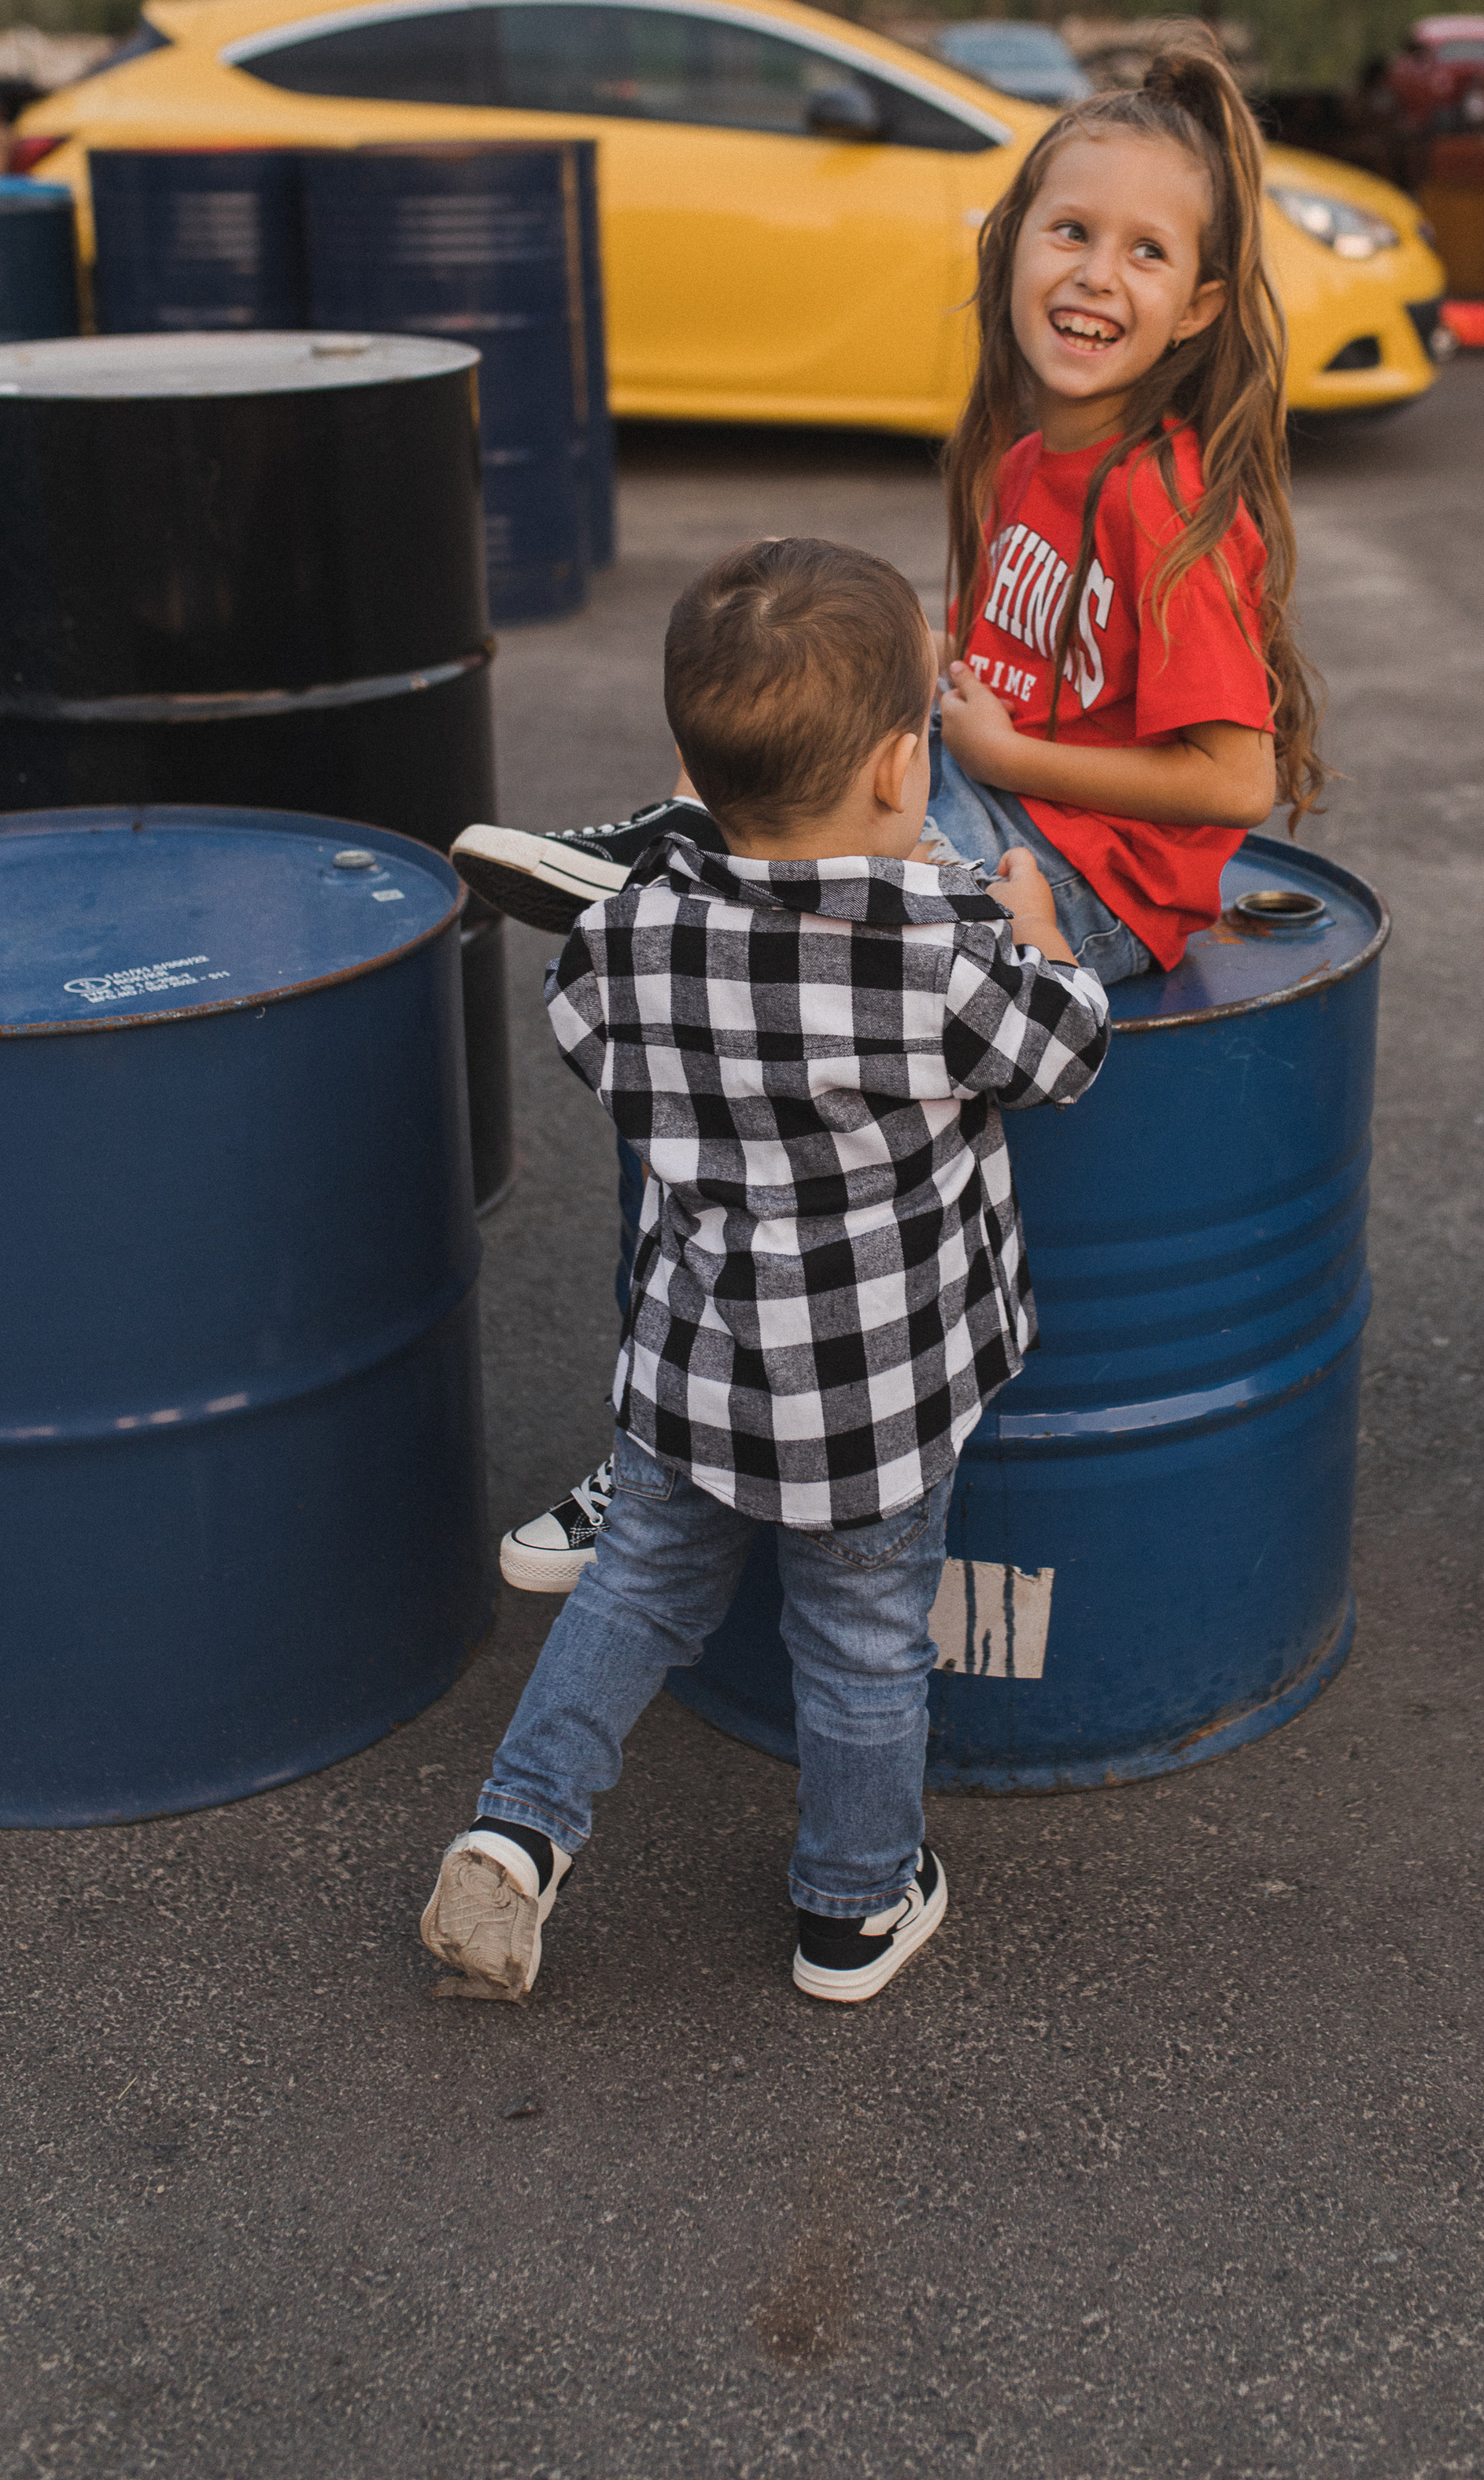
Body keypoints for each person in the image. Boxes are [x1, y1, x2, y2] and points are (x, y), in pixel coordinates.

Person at [457, 25, 1321, 1587]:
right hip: (982, 806)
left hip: (1088, 886)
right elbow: (997, 662)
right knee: (796, 660)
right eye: (1069, 232)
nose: (1094, 274)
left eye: (1143, 252)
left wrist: (1007, 756)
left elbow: (1235, 781)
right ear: (1009, 251)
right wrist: (908, 672)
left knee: (725, 969)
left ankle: (674, 889)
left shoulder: (1157, 494)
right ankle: (678, 871)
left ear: (1195, 308)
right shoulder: (1010, 448)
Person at [420, 538, 1109, 2006]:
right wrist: (1042, 939)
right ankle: (854, 1911)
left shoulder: (624, 942)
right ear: (900, 768)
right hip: (873, 1402)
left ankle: (517, 1829)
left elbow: (596, 1036)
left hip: (695, 1372)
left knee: (631, 1597)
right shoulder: (942, 957)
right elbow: (1066, 1054)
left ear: (686, 764)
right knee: (864, 1642)